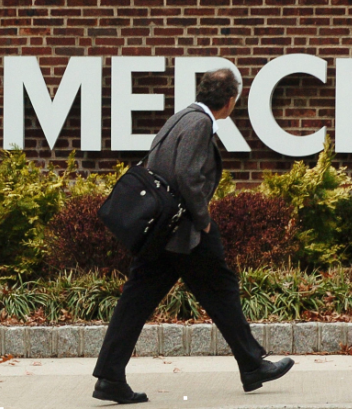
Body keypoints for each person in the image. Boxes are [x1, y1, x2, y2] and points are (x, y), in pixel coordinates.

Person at [92, 68, 294, 404]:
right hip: (185, 233)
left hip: (161, 233)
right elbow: (187, 175)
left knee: (137, 301)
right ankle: (253, 365)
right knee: (222, 290)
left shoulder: (181, 116)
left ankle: (109, 377)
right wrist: (203, 221)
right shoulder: (200, 124)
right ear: (230, 101)